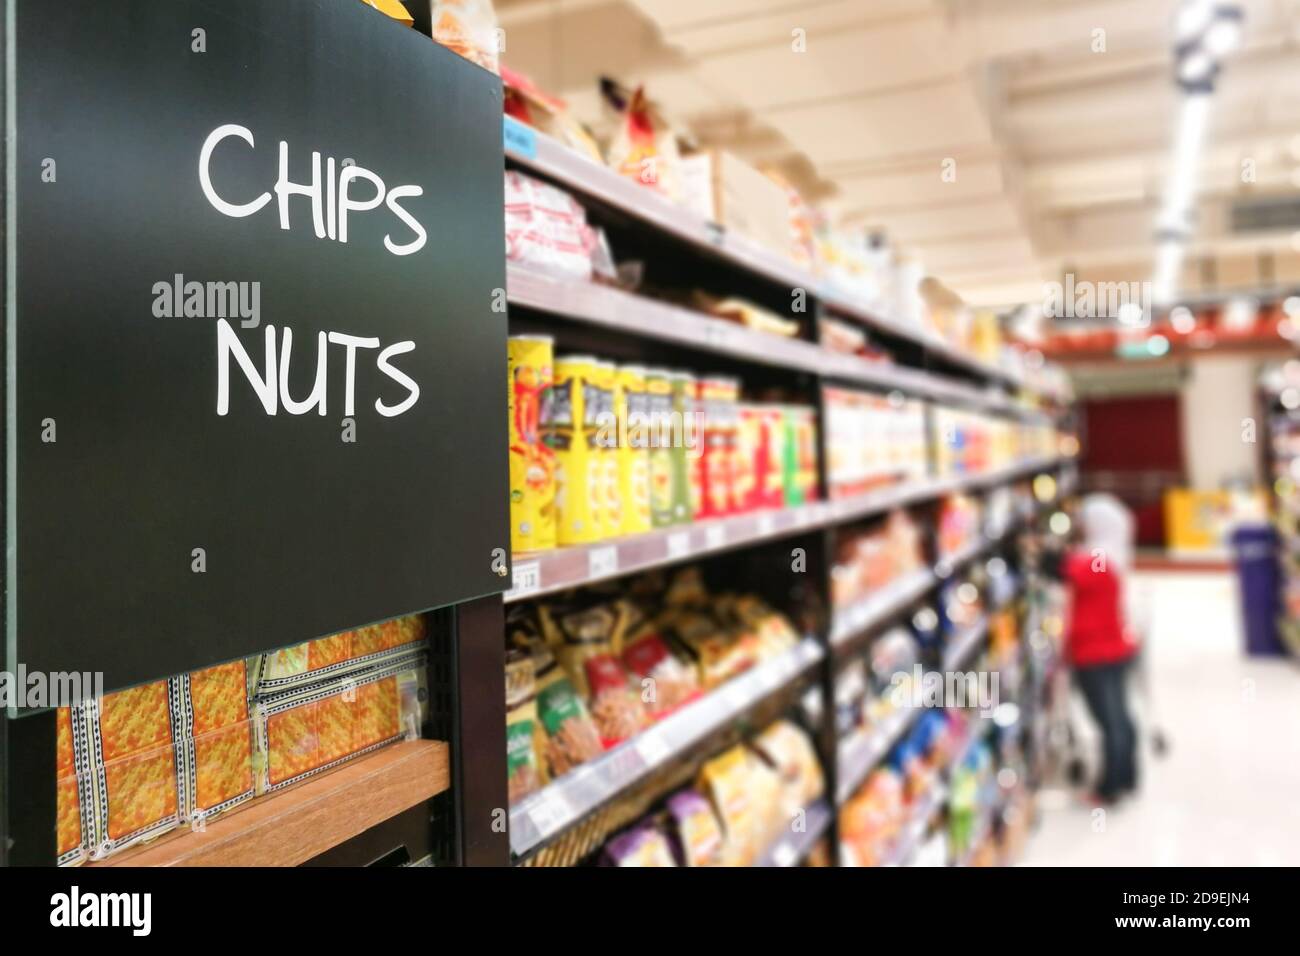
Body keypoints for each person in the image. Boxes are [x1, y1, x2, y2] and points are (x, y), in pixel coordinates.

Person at [1051, 494, 1141, 805]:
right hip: (1114, 647)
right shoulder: (1113, 553)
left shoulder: (1100, 558)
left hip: (1095, 652)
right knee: (1121, 717)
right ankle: (1127, 777)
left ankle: (1110, 787)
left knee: (1109, 720)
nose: (1080, 525)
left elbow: (1064, 569)